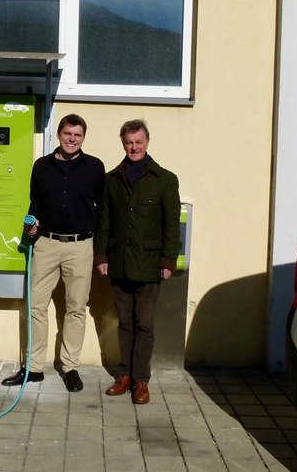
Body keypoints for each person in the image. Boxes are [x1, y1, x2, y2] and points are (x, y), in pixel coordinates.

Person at [1, 114, 105, 392]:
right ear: (59, 135)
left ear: (83, 138)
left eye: (77, 135)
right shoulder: (42, 166)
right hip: (45, 243)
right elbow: (35, 201)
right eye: (67, 133)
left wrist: (102, 251)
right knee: (36, 306)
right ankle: (33, 368)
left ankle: (69, 366)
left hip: (81, 245)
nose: (72, 139)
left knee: (76, 308)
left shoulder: (94, 167)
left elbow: (103, 210)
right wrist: (33, 222)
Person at [94, 119, 180, 404]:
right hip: (118, 262)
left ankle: (141, 380)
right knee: (124, 324)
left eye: (138, 142)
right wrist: (102, 256)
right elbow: (103, 220)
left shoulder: (165, 180)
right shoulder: (111, 180)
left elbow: (171, 225)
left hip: (149, 264)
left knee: (144, 324)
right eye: (129, 142)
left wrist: (168, 260)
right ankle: (125, 376)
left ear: (147, 142)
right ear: (123, 143)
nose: (134, 147)